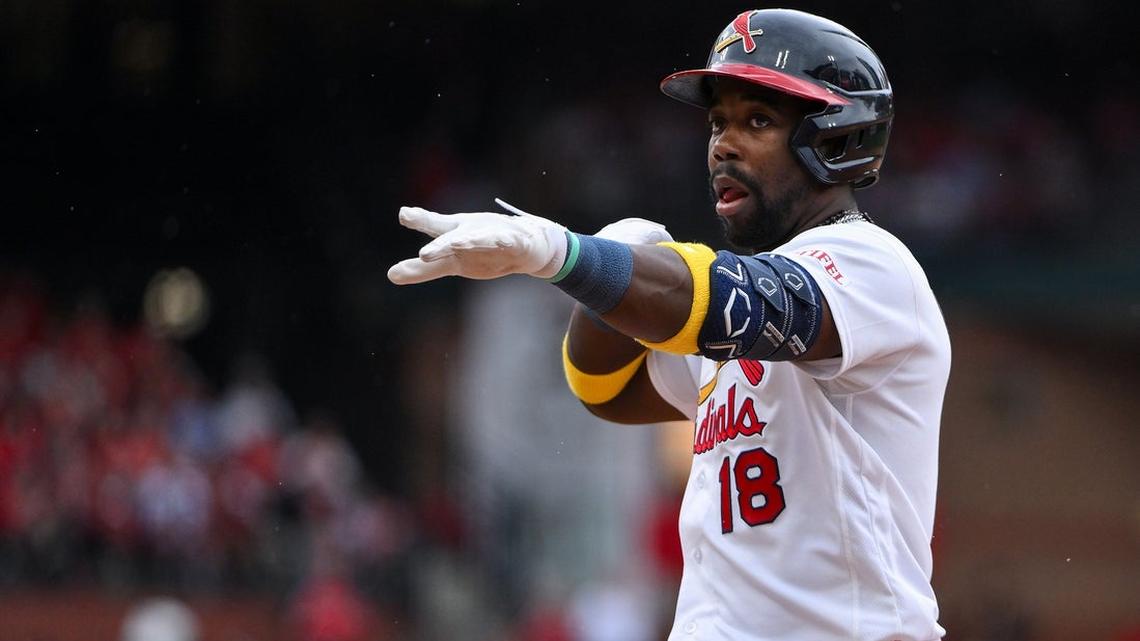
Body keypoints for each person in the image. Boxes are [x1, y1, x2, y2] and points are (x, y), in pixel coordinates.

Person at [389, 8, 950, 641]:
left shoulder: (873, 265)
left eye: (757, 121)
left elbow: (728, 303)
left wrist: (563, 254)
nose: (723, 145)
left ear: (835, 138)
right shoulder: (734, 306)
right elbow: (605, 389)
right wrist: (607, 278)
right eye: (718, 123)